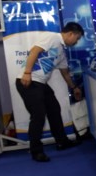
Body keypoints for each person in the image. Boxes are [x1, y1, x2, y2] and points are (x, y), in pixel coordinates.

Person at [15, 22, 85, 162]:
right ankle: (36, 151)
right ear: (70, 33)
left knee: (54, 109)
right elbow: (34, 51)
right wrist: (27, 72)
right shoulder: (53, 37)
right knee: (38, 115)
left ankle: (62, 141)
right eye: (76, 38)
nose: (76, 42)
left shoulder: (61, 51)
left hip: (40, 83)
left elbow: (65, 73)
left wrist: (74, 88)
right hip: (28, 81)